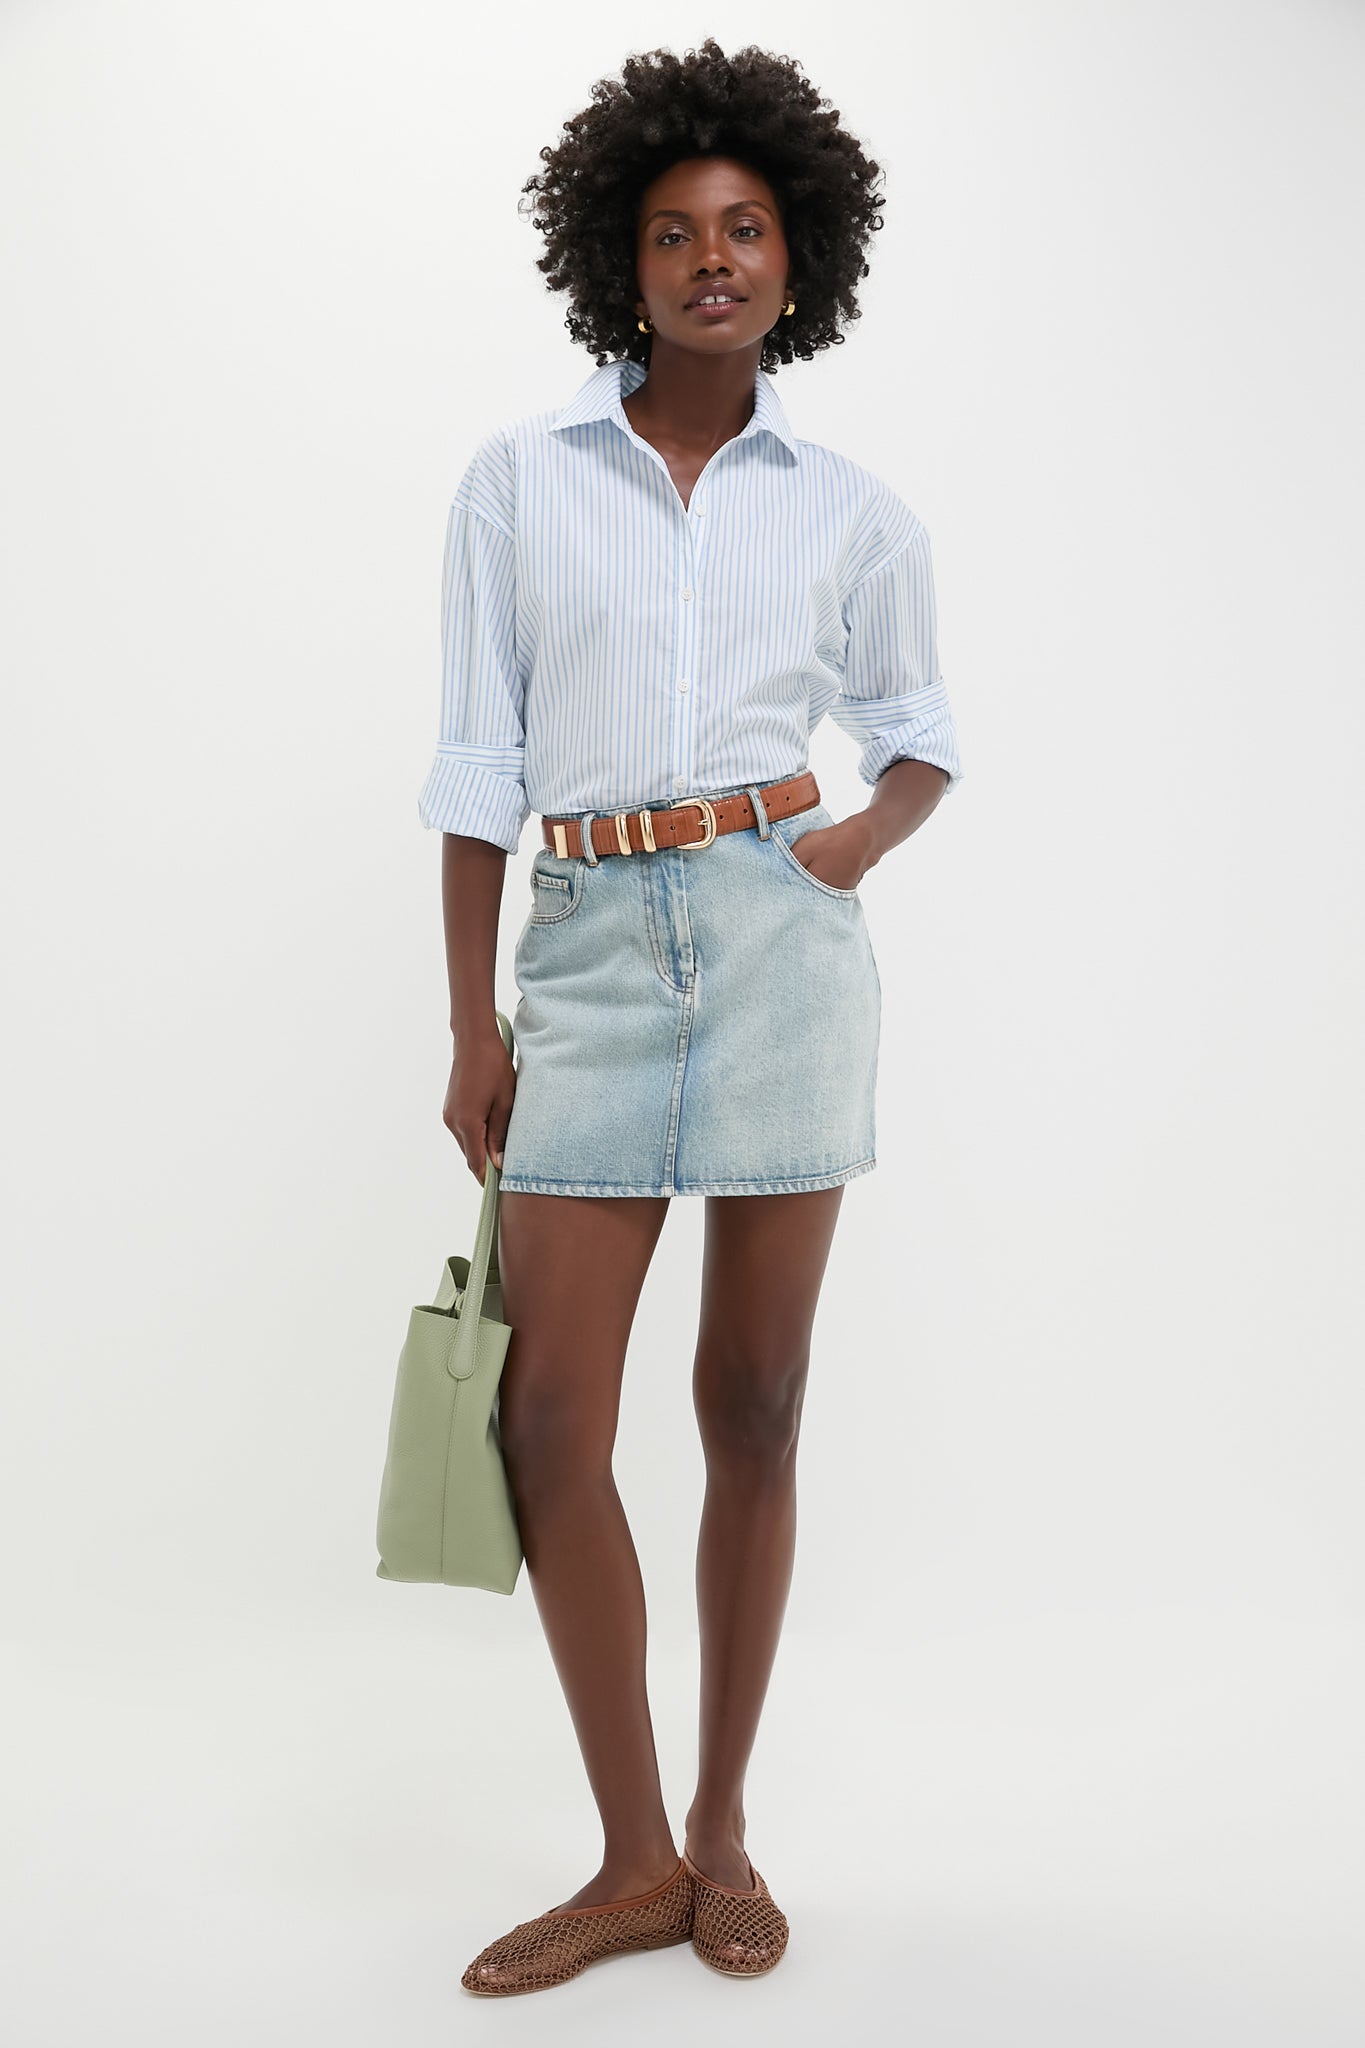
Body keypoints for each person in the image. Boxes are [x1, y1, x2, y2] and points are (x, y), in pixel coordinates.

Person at [417, 38, 965, 1996]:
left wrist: (833, 859)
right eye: (670, 233)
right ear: (617, 264)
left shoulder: (850, 511)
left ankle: (723, 1828)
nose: (708, 259)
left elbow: (917, 742)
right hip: (576, 948)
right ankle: (630, 1854)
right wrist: (475, 1020)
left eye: (741, 230)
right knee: (541, 1414)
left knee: (752, 1402)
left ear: (796, 260)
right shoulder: (514, 480)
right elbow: (479, 761)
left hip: (773, 942)